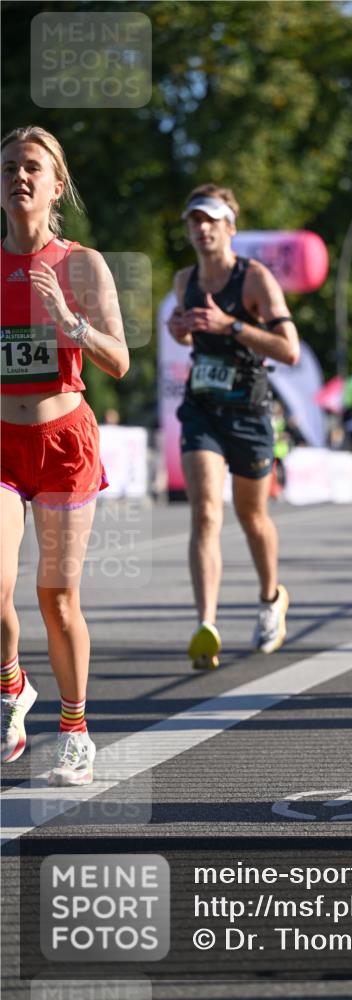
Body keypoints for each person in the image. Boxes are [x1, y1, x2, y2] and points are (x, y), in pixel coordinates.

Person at [1, 126, 129, 782]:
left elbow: (121, 361)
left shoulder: (81, 265)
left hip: (63, 442)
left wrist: (69, 321)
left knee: (56, 597)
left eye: (32, 167)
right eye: (9, 168)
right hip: (0, 443)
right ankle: (12, 686)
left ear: (57, 186)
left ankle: (75, 729)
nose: (19, 177)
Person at [167, 185, 299, 669]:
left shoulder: (254, 278)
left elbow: (290, 349)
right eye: (193, 221)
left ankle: (270, 599)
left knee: (252, 517)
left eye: (211, 220)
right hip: (202, 409)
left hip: (249, 412)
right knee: (204, 513)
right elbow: (182, 331)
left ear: (230, 228)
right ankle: (207, 624)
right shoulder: (184, 279)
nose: (201, 229)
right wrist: (179, 328)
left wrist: (231, 326)